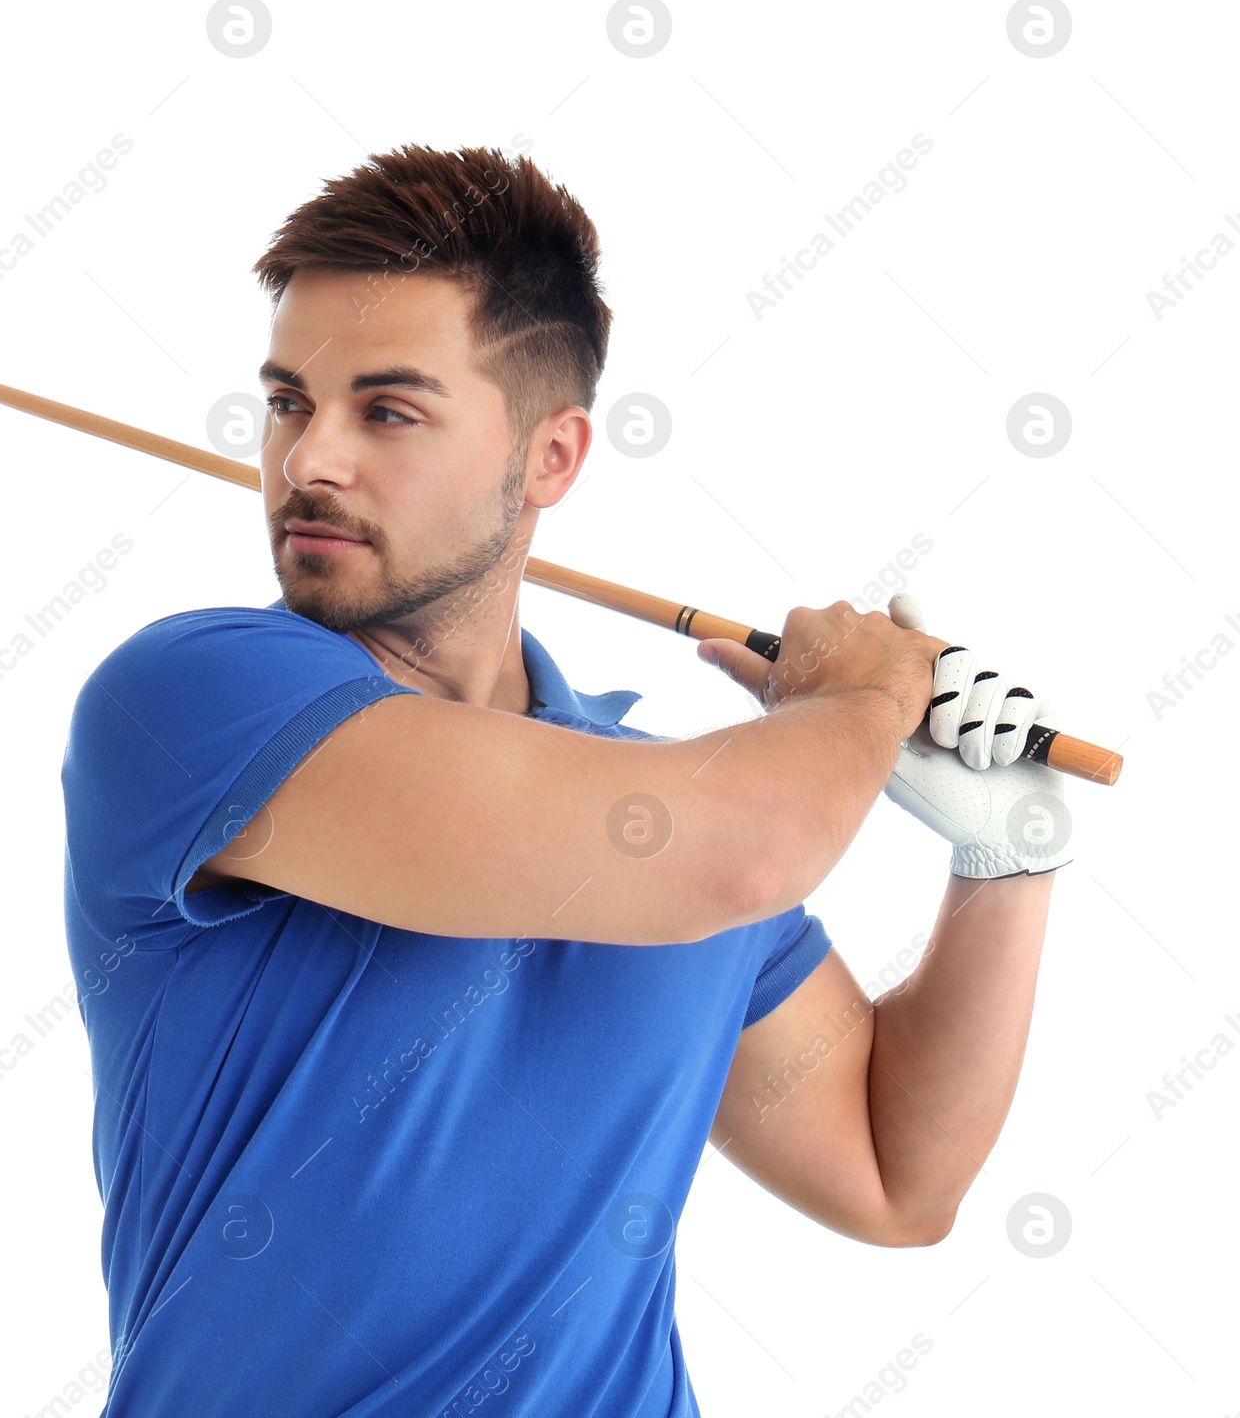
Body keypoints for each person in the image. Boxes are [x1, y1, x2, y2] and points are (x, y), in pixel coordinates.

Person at [60, 143, 1073, 1417]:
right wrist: (867, 698)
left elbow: (890, 1172)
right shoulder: (195, 702)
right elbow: (732, 847)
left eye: (386, 409)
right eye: (285, 403)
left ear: (549, 459)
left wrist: (1005, 858)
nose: (308, 460)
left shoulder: (672, 793)